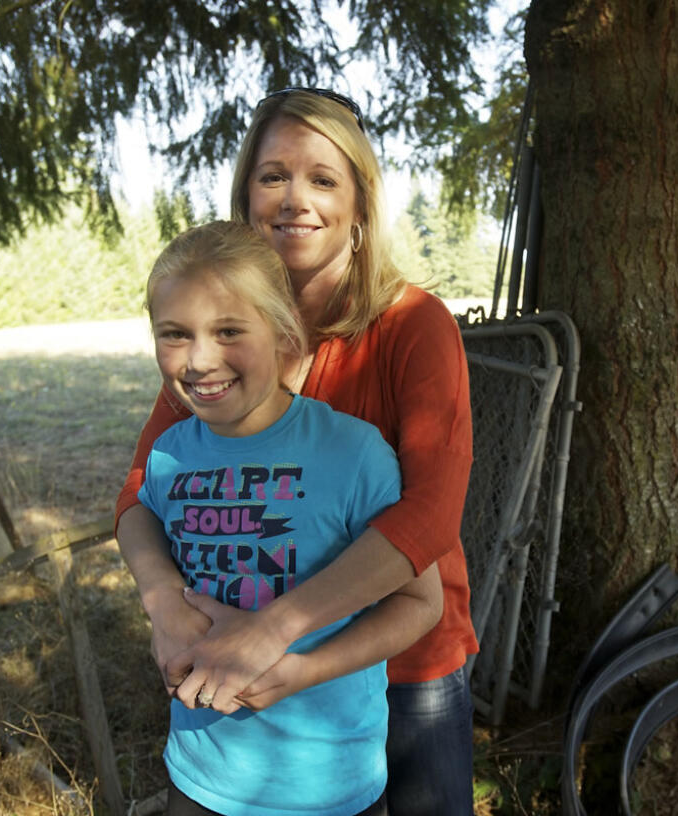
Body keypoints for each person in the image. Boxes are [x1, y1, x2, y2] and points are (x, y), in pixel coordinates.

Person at [116, 88, 478, 815]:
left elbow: (430, 517)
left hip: (400, 661)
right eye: (273, 176)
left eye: (322, 178)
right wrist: (165, 605)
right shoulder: (221, 338)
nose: (294, 199)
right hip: (250, 695)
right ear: (247, 194)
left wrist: (275, 632)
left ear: (360, 203)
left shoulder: (412, 324)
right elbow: (141, 492)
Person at [137, 219, 442, 816]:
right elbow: (144, 519)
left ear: (281, 334)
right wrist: (163, 606)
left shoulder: (354, 454)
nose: (200, 360)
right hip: (199, 776)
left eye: (228, 330)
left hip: (328, 788)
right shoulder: (170, 452)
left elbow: (420, 603)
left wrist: (303, 670)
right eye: (174, 334)